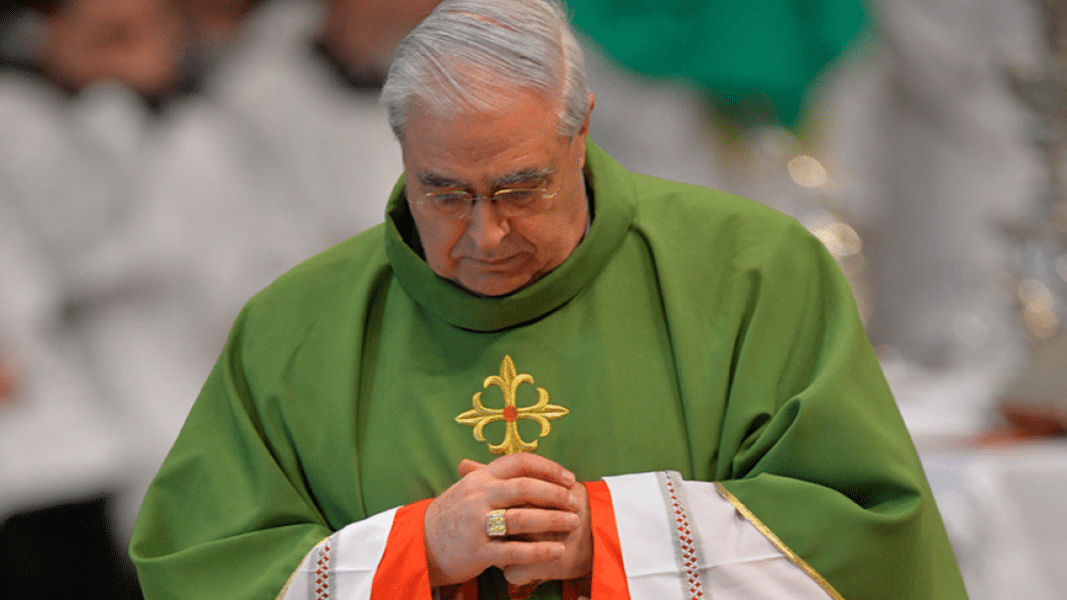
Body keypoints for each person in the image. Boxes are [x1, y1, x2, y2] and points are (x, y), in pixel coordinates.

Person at [129, 1, 968, 599]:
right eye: (445, 194)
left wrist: (608, 537)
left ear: (582, 130)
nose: (485, 237)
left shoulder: (755, 272)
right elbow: (201, 570)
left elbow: (866, 540)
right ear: (401, 152)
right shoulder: (294, 329)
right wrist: (418, 551)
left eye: (522, 188)